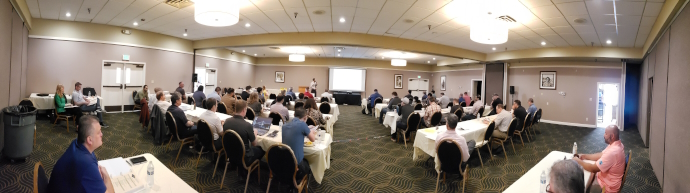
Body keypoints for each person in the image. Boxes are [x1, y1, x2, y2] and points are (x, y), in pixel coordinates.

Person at [48, 115, 115, 193]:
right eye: (99, 132)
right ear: (89, 140)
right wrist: (106, 177)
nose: (102, 134)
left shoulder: (77, 143)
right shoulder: (86, 163)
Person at [572, 125, 625, 193]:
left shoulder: (613, 152)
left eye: (606, 133)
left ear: (612, 136)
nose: (604, 135)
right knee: (587, 174)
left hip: (607, 187)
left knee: (581, 186)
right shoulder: (617, 144)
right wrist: (584, 156)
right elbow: (601, 155)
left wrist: (578, 161)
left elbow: (593, 169)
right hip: (606, 178)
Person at [224, 100, 265, 168]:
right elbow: (254, 144)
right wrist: (255, 133)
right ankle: (250, 170)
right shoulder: (247, 125)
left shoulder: (226, 122)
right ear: (244, 110)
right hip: (245, 158)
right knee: (262, 149)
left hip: (230, 154)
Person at [281, 107, 317, 181]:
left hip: (284, 162)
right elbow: (312, 139)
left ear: (294, 114)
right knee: (309, 163)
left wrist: (307, 128)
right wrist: (312, 131)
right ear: (305, 118)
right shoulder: (302, 125)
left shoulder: (284, 125)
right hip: (297, 165)